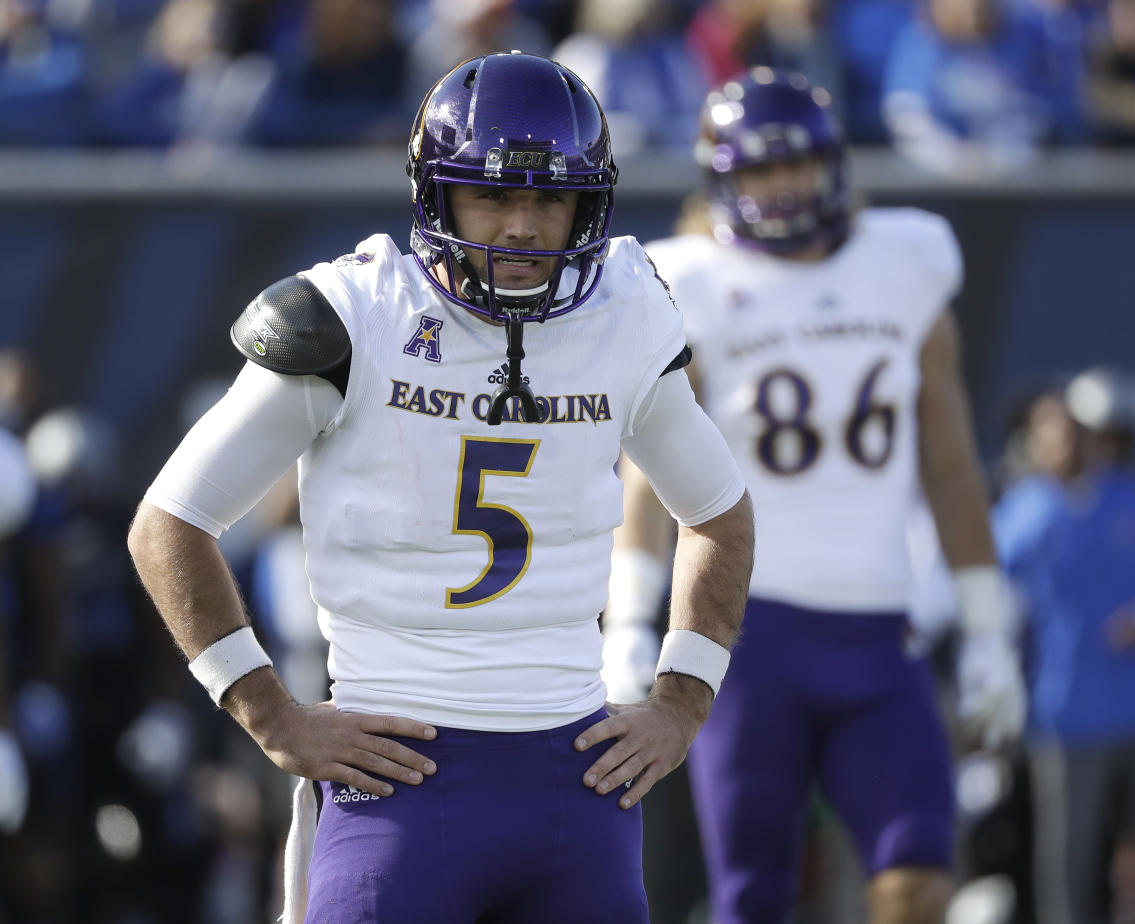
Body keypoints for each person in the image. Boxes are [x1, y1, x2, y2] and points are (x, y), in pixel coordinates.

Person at [127, 51, 754, 924]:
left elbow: (719, 514)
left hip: (575, 775)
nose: (526, 226)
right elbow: (169, 522)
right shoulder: (354, 313)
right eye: (494, 195)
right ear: (436, 195)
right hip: (396, 777)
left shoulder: (628, 310)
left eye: (549, 197)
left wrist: (681, 700)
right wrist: (270, 712)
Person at [604, 68, 1026, 924]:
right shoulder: (693, 279)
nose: (784, 185)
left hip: (881, 626)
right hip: (748, 636)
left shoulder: (904, 262)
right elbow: (650, 478)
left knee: (918, 875)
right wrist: (628, 623)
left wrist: (988, 625)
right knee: (752, 895)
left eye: (797, 163)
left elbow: (949, 464)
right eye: (760, 169)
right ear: (724, 179)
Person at [995, 381, 1135, 924]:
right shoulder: (1022, 514)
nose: (1070, 443)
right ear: (1036, 443)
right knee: (1070, 852)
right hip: (1067, 709)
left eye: (1079, 432)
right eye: (1055, 433)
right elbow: (1001, 608)